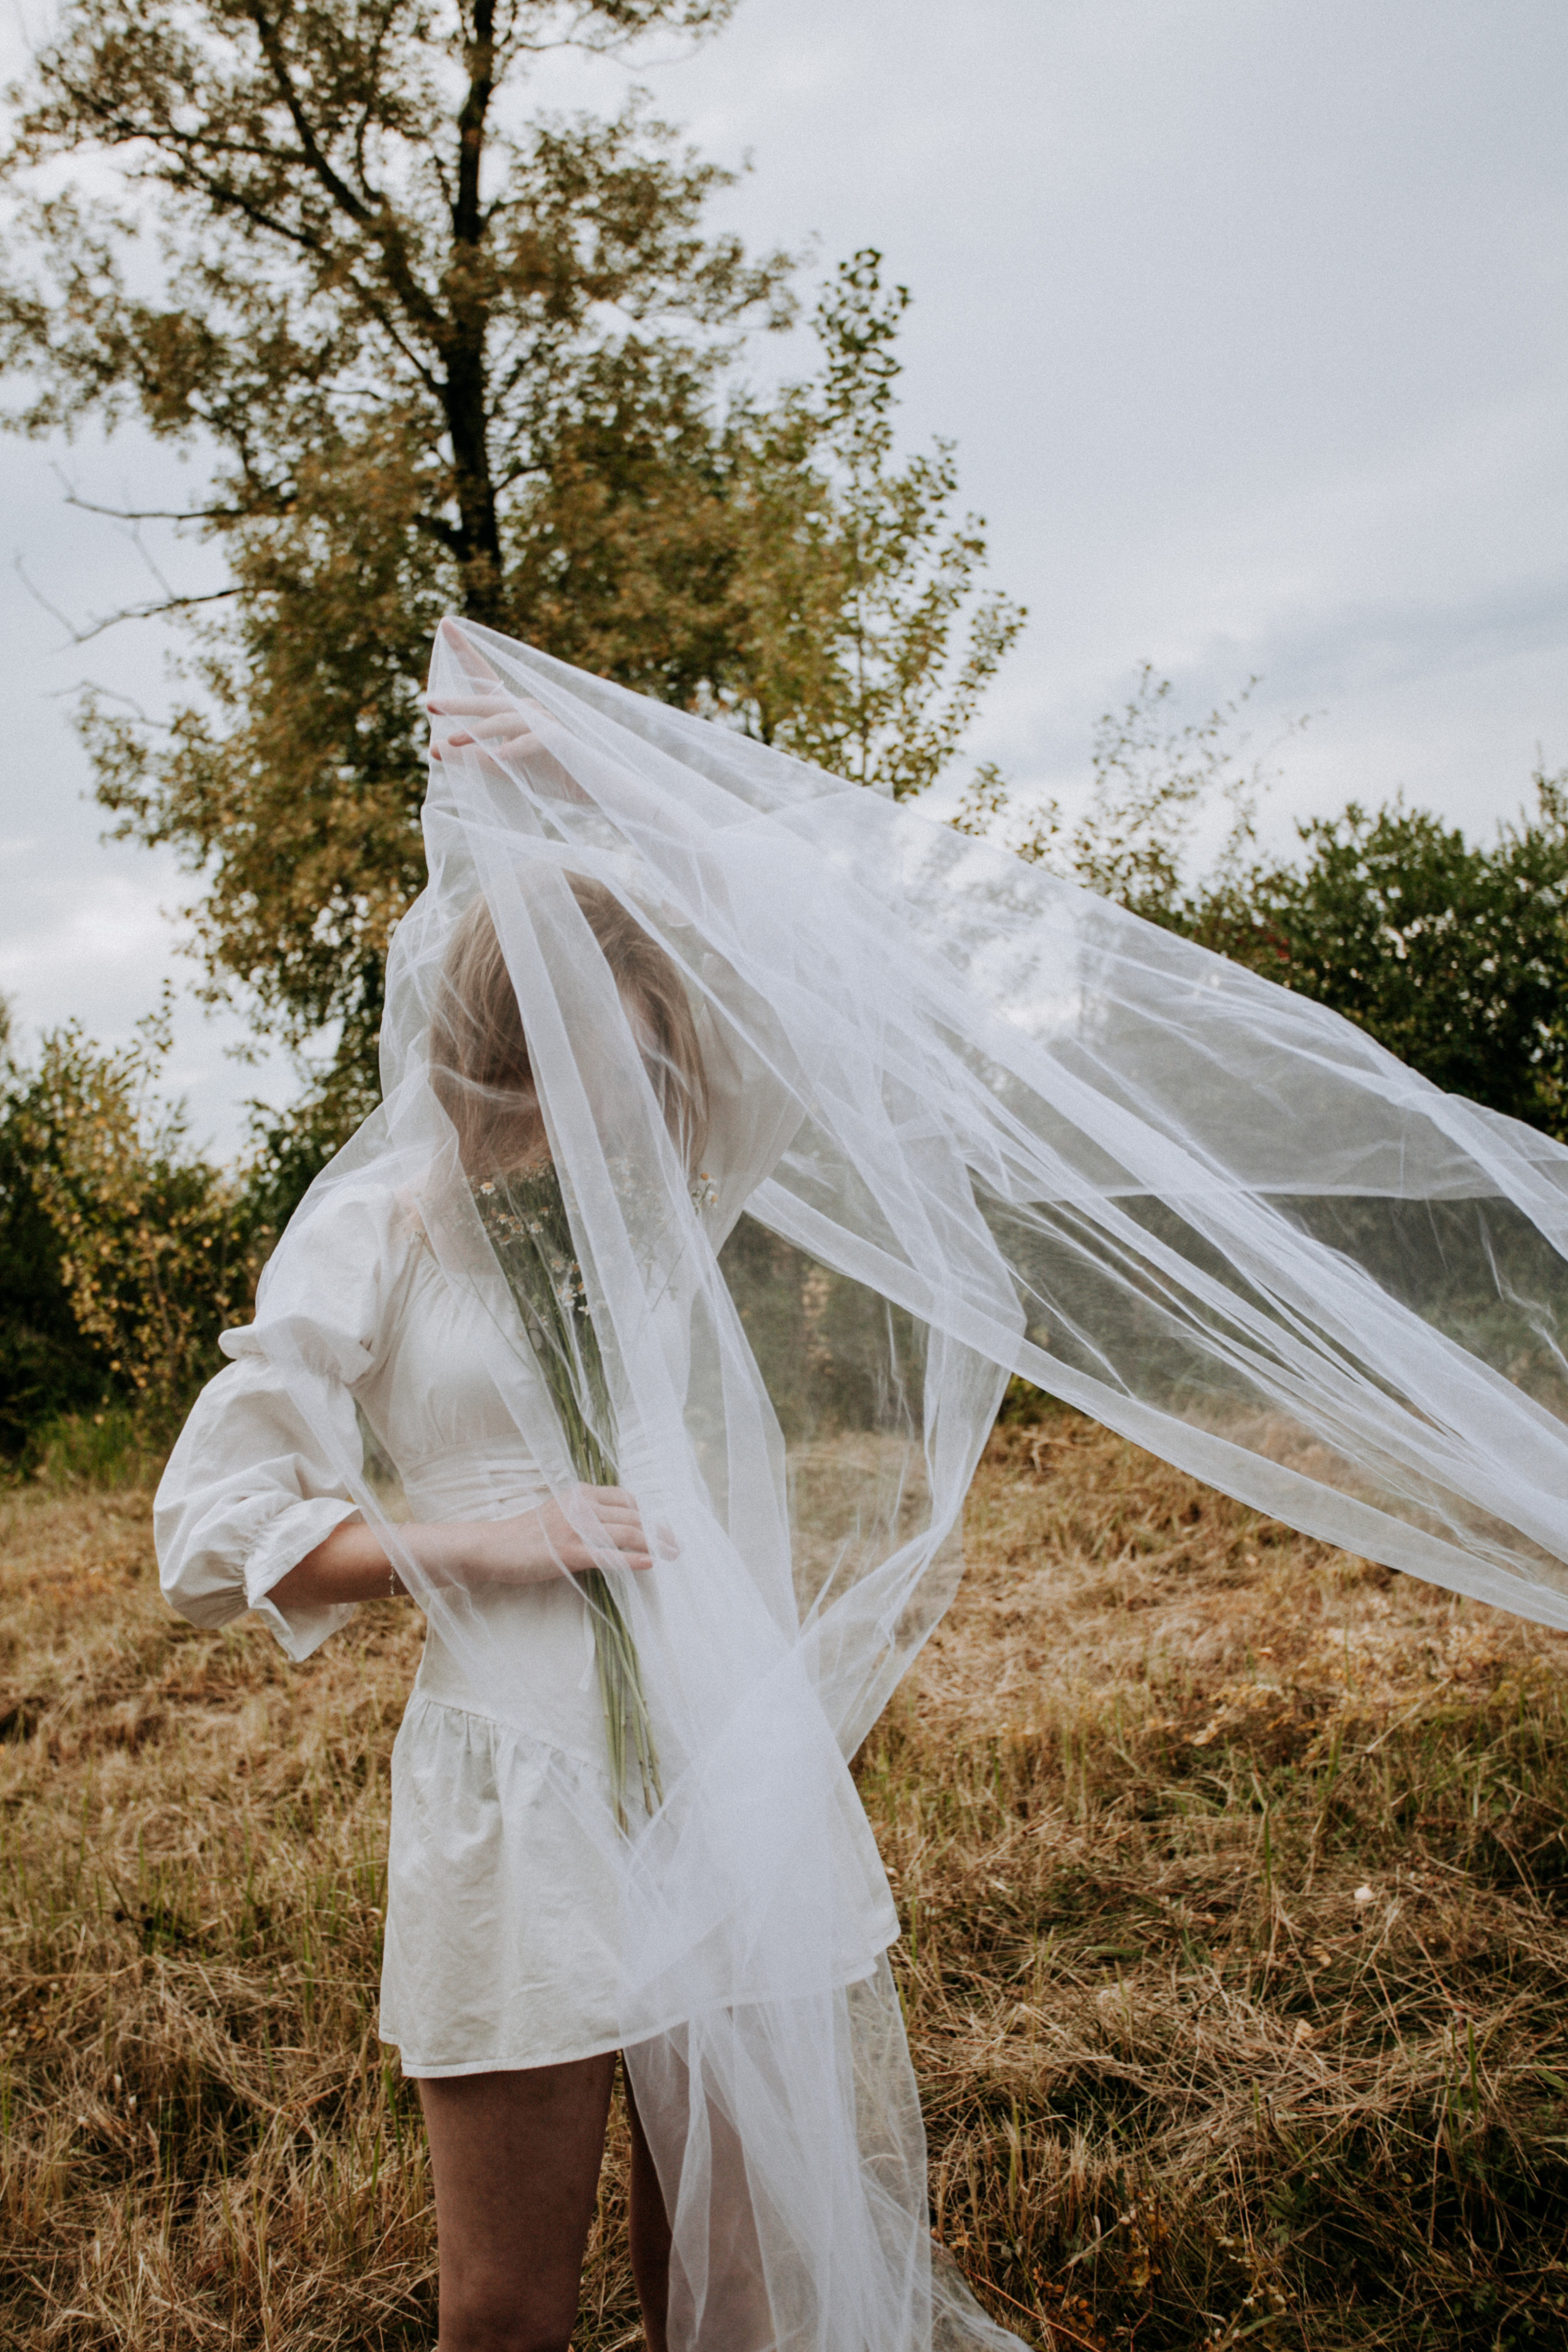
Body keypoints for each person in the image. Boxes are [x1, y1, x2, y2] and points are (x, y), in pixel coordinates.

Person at [157, 617, 1568, 2352]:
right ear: (486, 1055)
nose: (625, 1114)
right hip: (514, 1793)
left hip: (725, 1752)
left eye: (648, 1068)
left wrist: (580, 774)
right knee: (504, 2308)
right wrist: (491, 1544)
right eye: (586, 1070)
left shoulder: (675, 1176)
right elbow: (212, 1535)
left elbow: (786, 919)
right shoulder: (376, 1220)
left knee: (739, 2295)